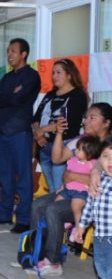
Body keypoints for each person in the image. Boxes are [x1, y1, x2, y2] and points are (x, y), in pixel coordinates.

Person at [27, 102, 112, 277]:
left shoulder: (109, 147)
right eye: (85, 117)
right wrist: (58, 133)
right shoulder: (81, 141)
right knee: (37, 205)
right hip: (72, 192)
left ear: (106, 123)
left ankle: (54, 261)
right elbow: (57, 159)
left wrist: (72, 176)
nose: (86, 122)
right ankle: (35, 255)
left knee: (53, 210)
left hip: (97, 200)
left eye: (92, 118)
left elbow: (98, 180)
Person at [0, 38, 40, 234]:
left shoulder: (32, 76)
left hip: (20, 132)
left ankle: (23, 219)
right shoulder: (7, 78)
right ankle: (3, 214)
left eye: (13, 51)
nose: (9, 54)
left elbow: (20, 97)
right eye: (8, 51)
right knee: (5, 176)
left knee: (23, 177)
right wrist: (9, 95)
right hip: (4, 131)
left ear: (24, 54)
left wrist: (9, 96)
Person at [32, 59, 88, 193]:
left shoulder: (77, 95)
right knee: (52, 189)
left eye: (58, 72)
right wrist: (39, 136)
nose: (54, 76)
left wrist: (42, 130)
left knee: (59, 189)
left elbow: (65, 125)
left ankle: (56, 213)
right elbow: (35, 119)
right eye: (53, 73)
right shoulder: (50, 94)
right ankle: (51, 212)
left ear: (69, 75)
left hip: (63, 148)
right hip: (44, 146)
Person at [73, 140, 112, 279]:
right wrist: (81, 226)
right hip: (100, 236)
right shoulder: (99, 180)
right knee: (103, 272)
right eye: (105, 156)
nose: (110, 161)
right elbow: (90, 205)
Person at [54, 136, 102, 241]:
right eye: (77, 148)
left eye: (79, 150)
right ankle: (66, 223)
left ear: (89, 153)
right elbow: (67, 176)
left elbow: (94, 179)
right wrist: (62, 187)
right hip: (68, 189)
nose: (76, 151)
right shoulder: (72, 161)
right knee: (56, 202)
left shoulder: (93, 164)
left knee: (76, 207)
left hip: (82, 192)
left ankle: (78, 228)